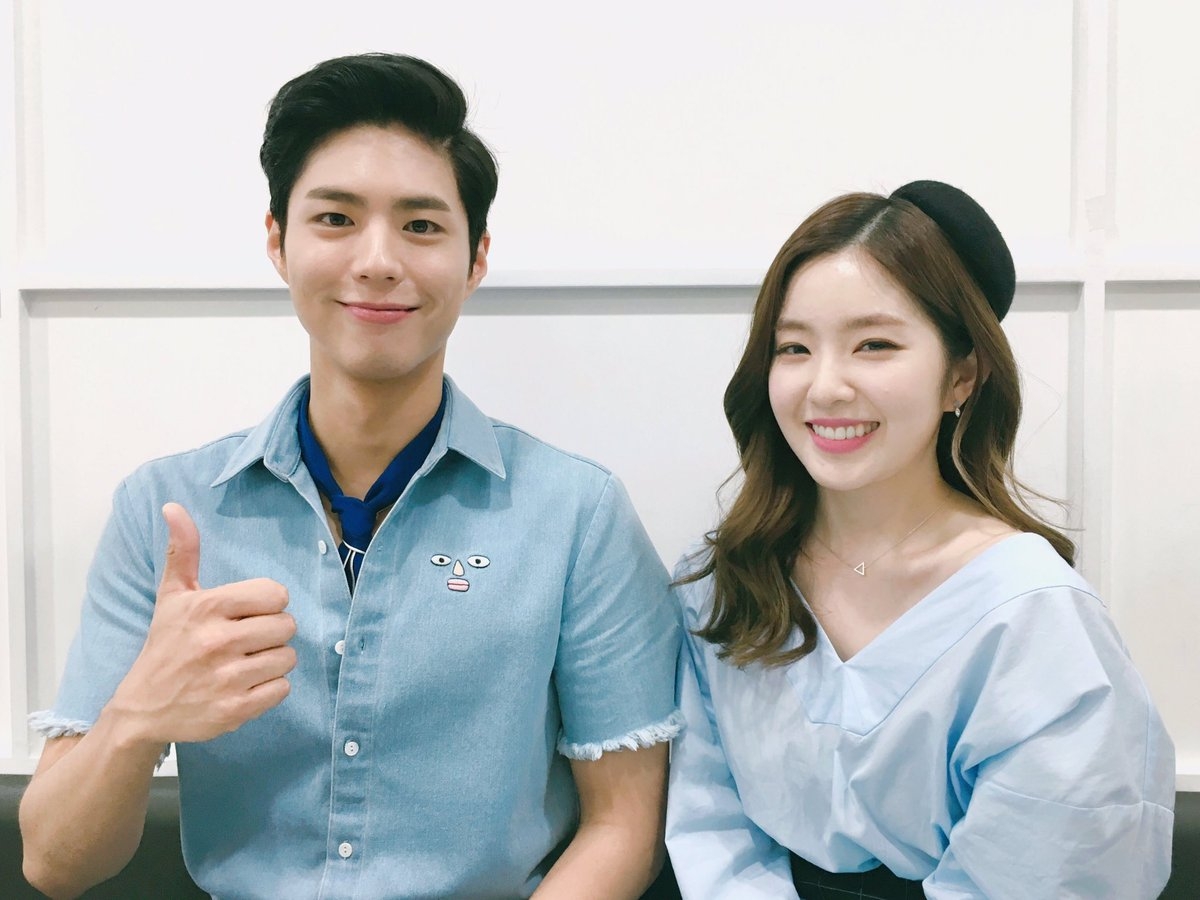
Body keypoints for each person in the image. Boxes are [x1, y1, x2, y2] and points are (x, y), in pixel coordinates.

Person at [20, 53, 681, 899]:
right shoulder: (166, 509)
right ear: (277, 241)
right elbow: (55, 865)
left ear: (476, 258)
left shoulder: (576, 513)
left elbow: (623, 826)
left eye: (421, 226)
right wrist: (138, 716)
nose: (376, 261)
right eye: (335, 218)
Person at [664, 181, 1175, 899]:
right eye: (794, 347)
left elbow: (1057, 869)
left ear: (961, 376)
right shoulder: (725, 578)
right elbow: (708, 827)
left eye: (874, 344)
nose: (825, 387)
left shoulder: (1033, 619)